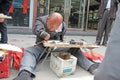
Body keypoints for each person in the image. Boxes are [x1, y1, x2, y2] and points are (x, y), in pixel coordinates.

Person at [13, 12, 99, 80]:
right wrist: (43, 34)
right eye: (49, 24)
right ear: (48, 19)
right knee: (29, 51)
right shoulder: (41, 20)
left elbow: (61, 38)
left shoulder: (63, 26)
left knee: (74, 49)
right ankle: (25, 73)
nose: (51, 27)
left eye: (54, 26)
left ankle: (91, 66)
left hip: (58, 47)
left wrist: (66, 44)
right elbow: (37, 29)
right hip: (43, 47)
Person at [94, 1, 120, 80]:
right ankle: (98, 40)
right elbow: (101, 5)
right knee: (101, 28)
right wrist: (100, 14)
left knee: (107, 29)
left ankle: (104, 41)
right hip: (104, 11)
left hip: (110, 13)